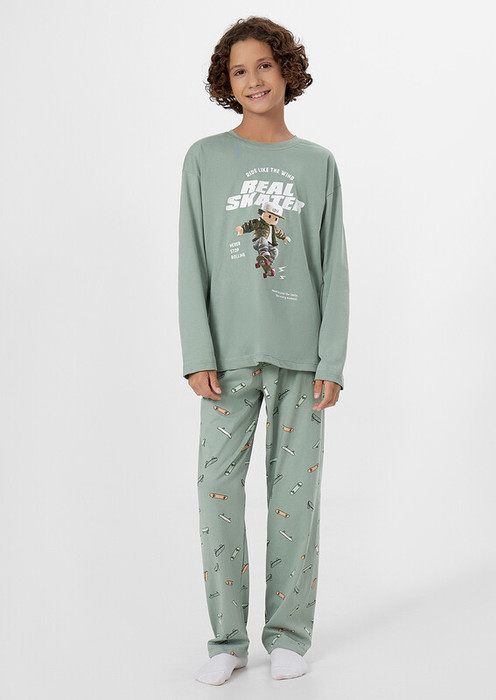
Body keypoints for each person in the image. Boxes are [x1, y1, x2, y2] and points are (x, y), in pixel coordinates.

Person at [178, 16, 350, 685]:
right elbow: (192, 259)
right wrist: (197, 350)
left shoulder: (317, 163)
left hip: (301, 356)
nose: (253, 79)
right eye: (239, 70)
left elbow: (334, 267)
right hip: (226, 359)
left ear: (286, 70)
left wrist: (331, 360)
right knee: (216, 488)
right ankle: (227, 639)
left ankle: (288, 634)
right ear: (226, 83)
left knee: (294, 496)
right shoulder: (204, 158)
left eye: (264, 65)